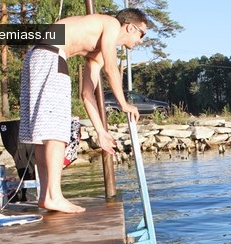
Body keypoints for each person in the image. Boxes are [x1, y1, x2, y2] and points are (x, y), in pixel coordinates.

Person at [19, 8, 144, 213]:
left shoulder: (98, 50)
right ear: (130, 27)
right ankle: (54, 196)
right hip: (50, 56)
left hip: (38, 56)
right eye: (142, 34)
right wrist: (124, 103)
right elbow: (111, 70)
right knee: (56, 131)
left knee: (44, 132)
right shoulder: (111, 24)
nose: (140, 41)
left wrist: (101, 132)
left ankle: (46, 196)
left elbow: (87, 94)